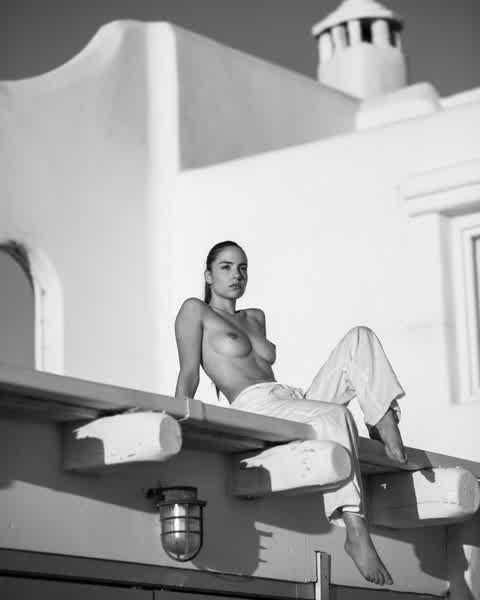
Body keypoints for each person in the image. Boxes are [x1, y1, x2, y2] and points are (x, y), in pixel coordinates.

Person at [174, 240, 407, 586]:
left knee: (360, 337)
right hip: (255, 405)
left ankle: (383, 419)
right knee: (335, 417)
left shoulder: (255, 317)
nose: (236, 274)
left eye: (242, 267)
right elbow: (189, 373)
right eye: (226, 267)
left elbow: (262, 367)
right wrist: (179, 423)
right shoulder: (195, 311)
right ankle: (355, 530)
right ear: (208, 275)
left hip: (288, 399)